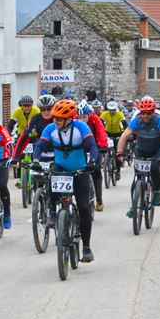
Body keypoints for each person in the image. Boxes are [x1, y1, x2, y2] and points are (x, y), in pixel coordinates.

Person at [33, 98, 99, 262]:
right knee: (51, 174)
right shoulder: (50, 129)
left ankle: (86, 247)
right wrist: (35, 160)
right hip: (60, 167)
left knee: (84, 208)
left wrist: (92, 162)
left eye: (59, 119)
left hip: (79, 170)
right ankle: (52, 212)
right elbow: (40, 145)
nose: (55, 121)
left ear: (69, 119)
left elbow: (92, 145)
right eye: (55, 118)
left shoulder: (81, 127)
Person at [115, 96, 160, 214]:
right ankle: (134, 206)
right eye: (143, 113)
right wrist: (120, 152)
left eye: (148, 113)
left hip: (156, 150)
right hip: (141, 149)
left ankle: (157, 192)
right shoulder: (137, 120)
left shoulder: (159, 120)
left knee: (155, 168)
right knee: (136, 177)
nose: (145, 116)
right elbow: (124, 136)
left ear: (153, 112)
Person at [79, 101, 108, 212]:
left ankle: (99, 200)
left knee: (96, 171)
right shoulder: (75, 121)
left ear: (89, 115)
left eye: (84, 117)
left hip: (94, 147)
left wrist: (103, 145)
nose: (82, 120)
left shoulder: (95, 120)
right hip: (80, 148)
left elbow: (101, 132)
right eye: (80, 117)